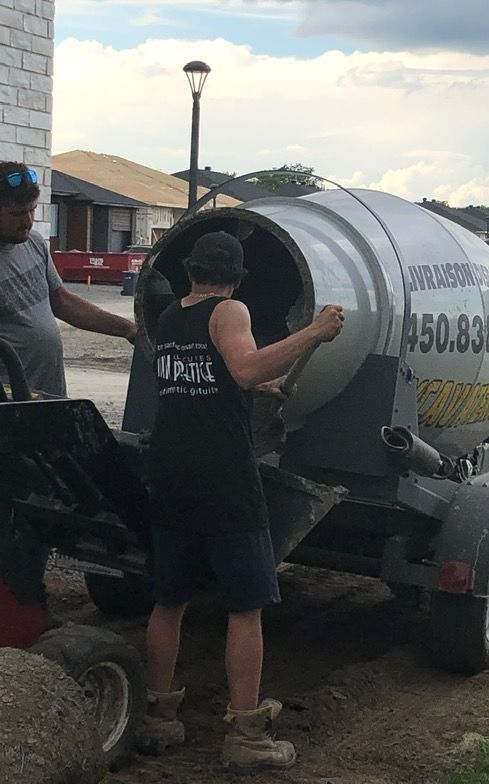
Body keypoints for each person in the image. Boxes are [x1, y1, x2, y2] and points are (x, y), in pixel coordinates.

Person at [139, 231, 344, 772]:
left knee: (170, 599)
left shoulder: (169, 318)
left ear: (189, 271)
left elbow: (203, 375)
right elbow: (244, 366)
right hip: (221, 474)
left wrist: (251, 389)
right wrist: (314, 332)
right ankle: (247, 736)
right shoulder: (229, 310)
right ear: (235, 277)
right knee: (246, 604)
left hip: (170, 470)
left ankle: (158, 717)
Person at [0, 160, 138, 397]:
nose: (27, 221)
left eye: (31, 210)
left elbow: (62, 301)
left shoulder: (33, 242)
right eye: (17, 213)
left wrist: (128, 330)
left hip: (48, 396)